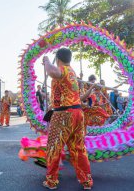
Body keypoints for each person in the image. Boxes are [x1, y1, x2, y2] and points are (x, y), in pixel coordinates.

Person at [42, 48, 93, 190]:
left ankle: (51, 181)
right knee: (78, 149)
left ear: (57, 58)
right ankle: (86, 181)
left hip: (63, 115)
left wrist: (46, 61)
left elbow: (52, 72)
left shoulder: (63, 70)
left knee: (53, 147)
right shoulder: (72, 73)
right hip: (77, 113)